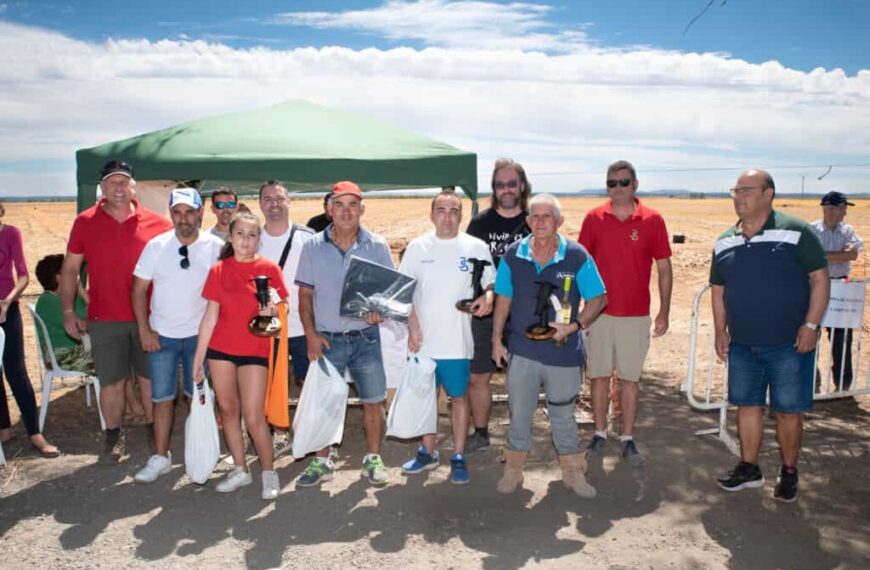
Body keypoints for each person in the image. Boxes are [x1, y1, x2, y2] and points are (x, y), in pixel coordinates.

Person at [712, 169, 829, 503]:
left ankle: (789, 471)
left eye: (747, 190)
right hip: (743, 345)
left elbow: (820, 278)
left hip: (788, 344)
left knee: (788, 411)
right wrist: (721, 331)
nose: (739, 196)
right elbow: (718, 291)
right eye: (736, 190)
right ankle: (749, 468)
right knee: (746, 406)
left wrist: (811, 325)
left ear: (769, 194)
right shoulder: (724, 240)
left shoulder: (796, 232)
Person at [492, 194, 607, 496]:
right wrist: (496, 339)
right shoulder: (514, 254)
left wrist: (573, 326)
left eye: (547, 216)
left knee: (563, 413)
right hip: (523, 350)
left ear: (559, 221)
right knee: (520, 412)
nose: (540, 221)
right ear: (528, 221)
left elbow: (598, 298)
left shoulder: (577, 255)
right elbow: (503, 298)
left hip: (564, 353)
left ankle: (571, 471)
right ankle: (514, 469)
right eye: (535, 216)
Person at [59, 160, 172, 463]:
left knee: (151, 382)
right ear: (102, 187)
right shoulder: (85, 221)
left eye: (124, 182)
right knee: (112, 383)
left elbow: (175, 270)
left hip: (150, 320)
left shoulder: (158, 223)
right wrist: (69, 311)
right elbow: (70, 269)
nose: (119, 189)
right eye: (112, 183)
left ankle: (155, 436)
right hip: (104, 319)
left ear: (134, 186)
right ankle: (113, 436)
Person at [294, 181, 393, 487]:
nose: (346, 211)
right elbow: (305, 296)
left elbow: (388, 292)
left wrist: (381, 311)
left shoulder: (377, 245)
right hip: (327, 339)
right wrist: (309, 334)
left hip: (366, 337)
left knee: (373, 402)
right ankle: (322, 460)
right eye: (340, 204)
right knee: (325, 403)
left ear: (362, 209)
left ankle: (373, 458)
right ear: (329, 209)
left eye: (353, 205)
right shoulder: (312, 246)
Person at [579, 160, 672, 465]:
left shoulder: (653, 220)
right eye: (611, 183)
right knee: (599, 376)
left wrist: (664, 312)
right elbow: (580, 265)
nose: (617, 188)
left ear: (635, 185)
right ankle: (600, 432)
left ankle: (628, 438)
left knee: (630, 380)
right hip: (599, 315)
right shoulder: (594, 218)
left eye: (623, 182)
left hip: (635, 315)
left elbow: (664, 267)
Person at [398, 190, 495, 484]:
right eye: (441, 210)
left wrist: (488, 299)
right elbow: (403, 292)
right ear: (431, 214)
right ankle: (427, 453)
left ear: (461, 216)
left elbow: (491, 284)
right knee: (426, 400)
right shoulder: (417, 248)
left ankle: (458, 456)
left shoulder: (476, 247)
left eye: (454, 210)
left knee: (459, 398)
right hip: (423, 342)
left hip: (458, 341)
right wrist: (413, 327)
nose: (448, 216)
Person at [193, 212, 288, 500]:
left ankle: (269, 473)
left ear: (259, 239)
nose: (246, 240)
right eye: (240, 234)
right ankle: (240, 469)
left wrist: (270, 311)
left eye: (252, 235)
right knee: (228, 410)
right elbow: (210, 317)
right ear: (230, 237)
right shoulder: (218, 270)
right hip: (220, 351)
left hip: (254, 350)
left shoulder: (269, 269)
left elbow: (280, 313)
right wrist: (199, 359)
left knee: (254, 415)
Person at [131, 189, 223, 483]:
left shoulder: (216, 246)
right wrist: (145, 330)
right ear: (170, 214)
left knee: (197, 397)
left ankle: (199, 454)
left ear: (200, 213)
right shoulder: (156, 246)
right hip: (162, 336)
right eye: (177, 212)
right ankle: (161, 457)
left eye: (189, 212)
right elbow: (137, 290)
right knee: (161, 398)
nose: (183, 219)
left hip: (200, 337)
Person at [464, 159, 532, 453]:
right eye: (499, 185)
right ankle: (481, 433)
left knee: (522, 379)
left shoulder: (535, 220)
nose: (505, 190)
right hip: (485, 312)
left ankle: (519, 436)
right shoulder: (480, 224)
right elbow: (465, 265)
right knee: (478, 376)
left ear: (522, 186)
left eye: (511, 184)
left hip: (524, 313)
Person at [257, 181, 314, 457]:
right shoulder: (252, 237)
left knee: (307, 382)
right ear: (260, 204)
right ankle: (280, 433)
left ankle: (307, 432)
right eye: (267, 199)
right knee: (267, 384)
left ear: (289, 201)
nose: (274, 204)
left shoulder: (308, 237)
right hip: (268, 329)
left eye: (279, 198)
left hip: (304, 327)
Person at [0, 203, 60, 457]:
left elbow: (23, 275)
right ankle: (4, 427)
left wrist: (8, 299)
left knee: (16, 372)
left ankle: (35, 434)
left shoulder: (11, 233)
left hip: (7, 308)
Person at [811, 190, 863, 391]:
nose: (844, 213)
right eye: (842, 208)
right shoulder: (812, 230)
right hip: (815, 286)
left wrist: (822, 255)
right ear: (829, 209)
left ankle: (842, 384)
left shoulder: (848, 231)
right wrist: (837, 255)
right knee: (810, 334)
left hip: (841, 288)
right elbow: (809, 257)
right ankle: (812, 383)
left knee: (842, 339)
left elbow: (851, 255)